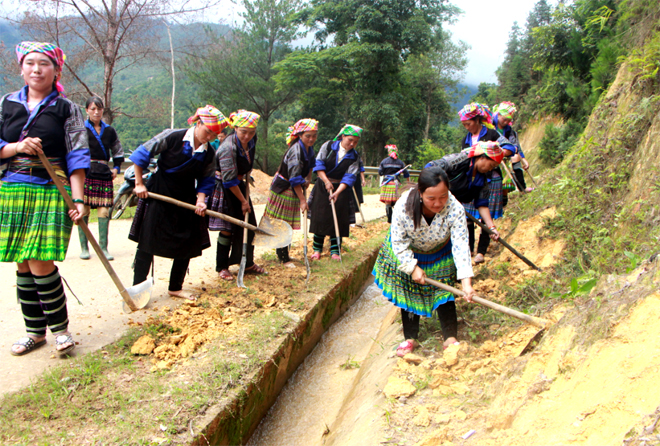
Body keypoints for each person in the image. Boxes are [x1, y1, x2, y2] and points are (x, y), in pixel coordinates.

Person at [0, 41, 90, 356]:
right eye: (30, 63)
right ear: (22, 67)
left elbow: (78, 157)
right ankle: (35, 332)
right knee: (23, 264)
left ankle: (61, 331)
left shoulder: (68, 108)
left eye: (44, 64)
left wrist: (78, 202)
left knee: (40, 261)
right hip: (12, 190)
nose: (37, 69)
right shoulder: (6, 103)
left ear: (56, 70)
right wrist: (16, 147)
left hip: (51, 189)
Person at [372, 166, 476, 357]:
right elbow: (399, 242)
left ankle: (450, 338)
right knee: (409, 293)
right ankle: (410, 338)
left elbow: (461, 245)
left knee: (444, 288)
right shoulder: (404, 206)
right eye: (431, 199)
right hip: (408, 251)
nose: (438, 203)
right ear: (420, 193)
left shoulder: (455, 209)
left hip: (440, 251)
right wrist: (412, 268)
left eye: (443, 196)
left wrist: (466, 283)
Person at [129, 105, 227, 300]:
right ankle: (137, 290)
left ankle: (175, 287)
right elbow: (142, 153)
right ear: (198, 123)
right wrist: (139, 184)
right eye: (207, 131)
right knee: (148, 240)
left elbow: (206, 179)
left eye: (213, 135)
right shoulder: (173, 136)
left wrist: (201, 201)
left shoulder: (209, 153)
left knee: (188, 241)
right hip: (160, 190)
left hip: (185, 196)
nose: (208, 137)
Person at [209, 109, 267, 280]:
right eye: (243, 132)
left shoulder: (251, 140)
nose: (247, 136)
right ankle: (222, 266)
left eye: (251, 132)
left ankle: (247, 262)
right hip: (225, 188)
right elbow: (229, 180)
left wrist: (247, 173)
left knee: (249, 225)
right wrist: (243, 201)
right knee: (228, 227)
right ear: (235, 129)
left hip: (239, 184)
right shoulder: (228, 147)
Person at [458, 103, 516, 263]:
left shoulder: (491, 133)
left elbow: (511, 147)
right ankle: (468, 250)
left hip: (491, 180)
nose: (467, 127)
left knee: (486, 216)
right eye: (464, 125)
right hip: (473, 180)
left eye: (468, 124)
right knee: (467, 216)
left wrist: (496, 154)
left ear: (477, 120)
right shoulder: (466, 139)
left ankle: (481, 252)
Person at [263, 118, 318, 266]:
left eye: (314, 135)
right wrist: (302, 200)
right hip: (284, 188)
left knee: (288, 223)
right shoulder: (296, 151)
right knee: (283, 223)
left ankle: (285, 254)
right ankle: (282, 258)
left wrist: (308, 179)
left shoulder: (309, 148)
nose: (311, 139)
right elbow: (294, 179)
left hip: (294, 187)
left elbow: (311, 165)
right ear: (300, 135)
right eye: (308, 136)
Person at [78, 96, 124, 260]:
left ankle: (103, 248)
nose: (96, 112)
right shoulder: (81, 129)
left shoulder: (109, 130)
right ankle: (84, 247)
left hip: (104, 173)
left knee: (104, 211)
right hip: (85, 172)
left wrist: (116, 168)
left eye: (99, 108)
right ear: (87, 110)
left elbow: (118, 151)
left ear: (103, 110)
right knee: (83, 210)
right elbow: (73, 150)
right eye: (92, 109)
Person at [308, 124, 363, 260]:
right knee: (320, 217)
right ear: (342, 136)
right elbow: (319, 164)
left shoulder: (354, 156)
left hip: (341, 189)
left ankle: (335, 251)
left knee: (338, 218)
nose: (352, 144)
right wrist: (326, 182)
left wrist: (337, 192)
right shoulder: (328, 146)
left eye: (355, 142)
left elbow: (350, 177)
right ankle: (317, 250)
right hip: (322, 186)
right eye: (350, 140)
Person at [492, 101, 531, 192]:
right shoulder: (490, 127)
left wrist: (524, 159)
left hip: (506, 153)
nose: (506, 122)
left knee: (516, 156)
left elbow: (515, 145)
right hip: (493, 152)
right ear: (498, 115)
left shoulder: (509, 131)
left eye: (508, 121)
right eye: (504, 119)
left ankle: (522, 187)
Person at [378, 144, 409, 223]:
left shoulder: (384, 161)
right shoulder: (400, 162)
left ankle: (389, 220)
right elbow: (406, 173)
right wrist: (408, 183)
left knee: (387, 202)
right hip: (395, 183)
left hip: (386, 183)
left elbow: (380, 172)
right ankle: (397, 218)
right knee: (397, 202)